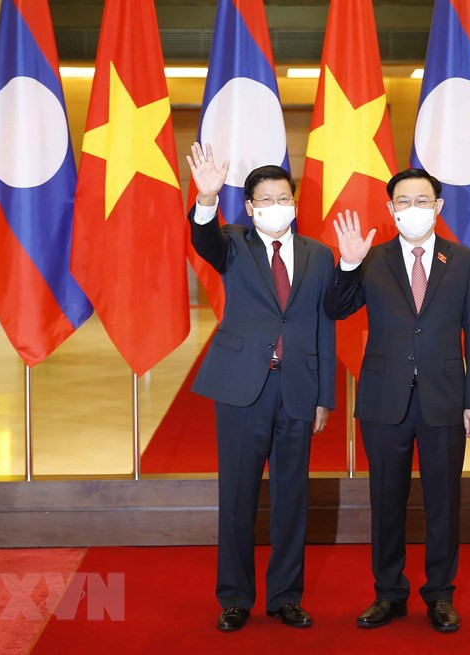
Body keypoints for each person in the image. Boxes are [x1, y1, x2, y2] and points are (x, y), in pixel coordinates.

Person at [324, 167, 470, 633]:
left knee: (443, 500)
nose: (412, 209)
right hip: (383, 400)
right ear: (390, 209)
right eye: (403, 201)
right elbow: (335, 309)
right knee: (386, 499)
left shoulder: (463, 262)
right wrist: (349, 264)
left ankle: (440, 594)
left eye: (422, 201)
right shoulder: (371, 258)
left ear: (437, 208)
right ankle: (388, 594)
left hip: (444, 398)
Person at [186, 143, 336, 632]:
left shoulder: (319, 255)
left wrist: (324, 395)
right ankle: (234, 597)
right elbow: (204, 239)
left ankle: (285, 596)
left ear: (295, 202)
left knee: (292, 498)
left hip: (297, 388)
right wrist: (206, 199)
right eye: (265, 200)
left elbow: (323, 325)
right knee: (238, 496)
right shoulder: (233, 242)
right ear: (250, 207)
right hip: (241, 389)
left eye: (283, 198)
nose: (276, 206)